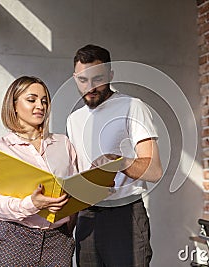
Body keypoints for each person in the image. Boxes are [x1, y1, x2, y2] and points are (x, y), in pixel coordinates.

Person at [66, 44, 163, 267]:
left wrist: (118, 162)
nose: (90, 87)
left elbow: (155, 171)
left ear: (111, 75)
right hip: (86, 216)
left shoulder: (132, 106)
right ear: (74, 78)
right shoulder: (74, 119)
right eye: (82, 80)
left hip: (125, 215)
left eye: (97, 79)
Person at [0, 76, 77, 267]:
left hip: (58, 242)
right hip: (15, 239)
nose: (40, 106)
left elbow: (75, 189)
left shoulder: (63, 144)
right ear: (14, 105)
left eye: (44, 101)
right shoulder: (2, 149)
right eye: (32, 99)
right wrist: (32, 203)